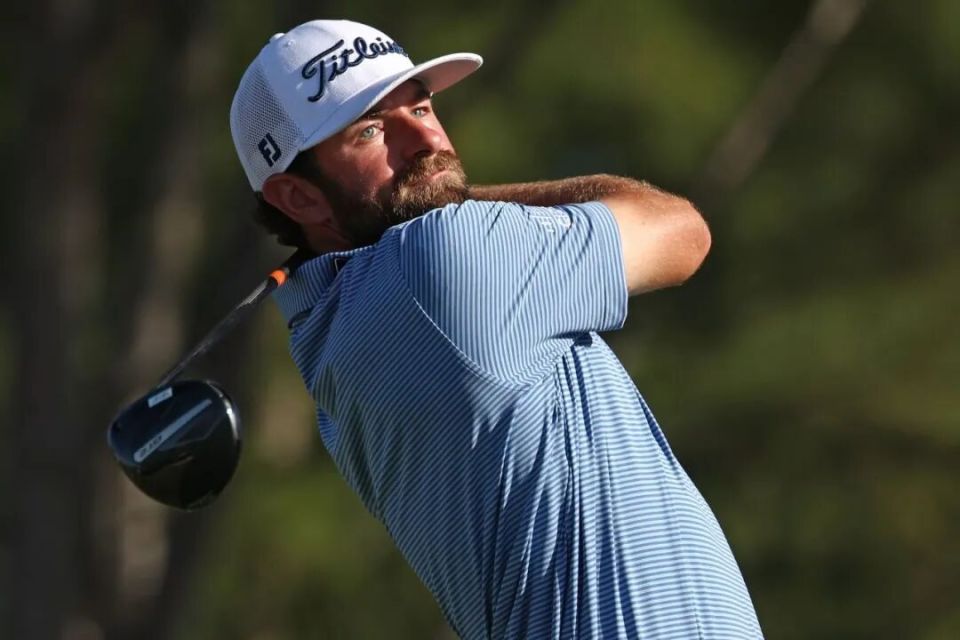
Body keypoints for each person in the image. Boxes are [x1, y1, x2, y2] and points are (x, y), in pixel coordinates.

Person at [230, 19, 762, 639]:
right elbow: (680, 231)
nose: (428, 140)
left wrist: (428, 192)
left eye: (421, 107)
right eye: (371, 131)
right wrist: (449, 196)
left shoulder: (327, 335)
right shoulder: (439, 255)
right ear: (298, 198)